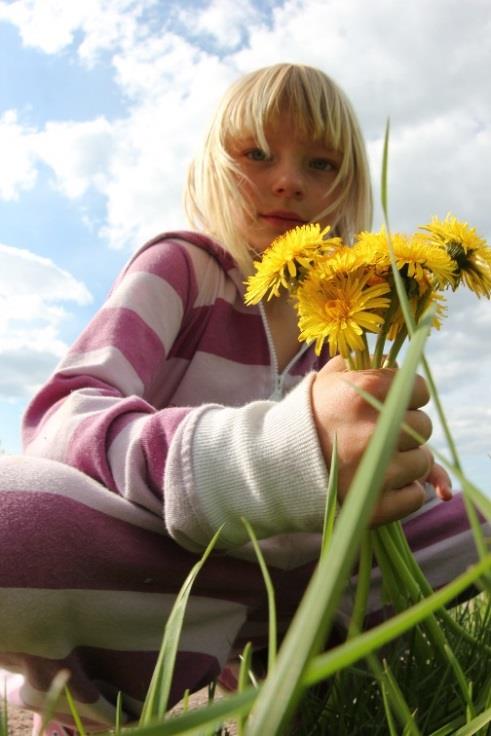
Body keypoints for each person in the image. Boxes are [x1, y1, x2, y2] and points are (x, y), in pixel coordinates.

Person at [0, 63, 480, 731]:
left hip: (315, 572)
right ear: (210, 166)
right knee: (12, 515)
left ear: (348, 187)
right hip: (169, 564)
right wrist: (264, 459)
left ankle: (309, 681)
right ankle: (89, 707)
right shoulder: (181, 269)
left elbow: (359, 458)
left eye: (320, 163)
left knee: (478, 523)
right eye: (256, 153)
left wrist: (389, 466)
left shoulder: (345, 318)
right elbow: (63, 416)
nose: (288, 180)